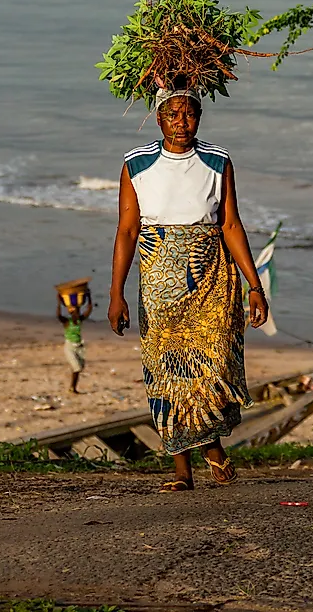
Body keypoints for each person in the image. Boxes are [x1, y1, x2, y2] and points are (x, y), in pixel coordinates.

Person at [108, 88, 269, 492]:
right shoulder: (136, 163)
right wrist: (117, 292)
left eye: (190, 114)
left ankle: (212, 450)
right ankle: (185, 470)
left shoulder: (218, 161)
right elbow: (127, 230)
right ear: (158, 118)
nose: (182, 122)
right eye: (173, 114)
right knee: (167, 373)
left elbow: (231, 225)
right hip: (159, 276)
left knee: (211, 368)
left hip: (211, 276)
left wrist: (255, 285)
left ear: (200, 117)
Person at [55, 278, 92, 394]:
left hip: (79, 346)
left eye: (77, 311)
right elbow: (58, 315)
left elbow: (89, 309)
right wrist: (59, 301)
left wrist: (89, 296)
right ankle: (72, 388)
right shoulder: (67, 322)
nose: (76, 312)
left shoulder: (80, 320)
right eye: (74, 311)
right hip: (70, 346)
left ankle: (73, 387)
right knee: (77, 368)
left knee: (78, 368)